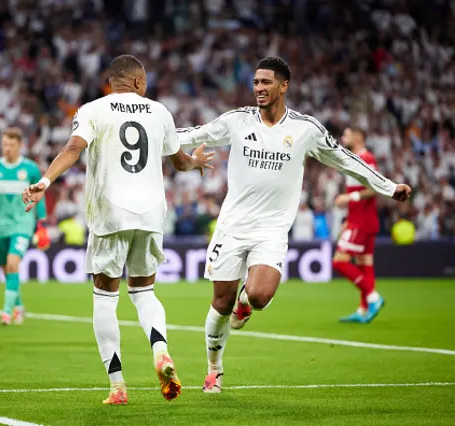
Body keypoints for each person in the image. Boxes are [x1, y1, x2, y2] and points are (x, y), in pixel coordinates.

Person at [176, 57, 411, 393]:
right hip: (232, 226)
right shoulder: (237, 121)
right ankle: (214, 368)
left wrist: (388, 187)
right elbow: (192, 134)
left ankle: (247, 303)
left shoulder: (305, 129)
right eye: (256, 82)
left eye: (266, 82)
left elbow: (346, 159)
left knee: (257, 295)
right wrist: (154, 133)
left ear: (283, 86)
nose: (258, 88)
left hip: (272, 230)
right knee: (221, 303)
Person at [23, 55, 213, 405]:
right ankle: (160, 351)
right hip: (151, 214)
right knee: (144, 291)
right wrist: (197, 161)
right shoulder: (160, 112)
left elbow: (73, 149)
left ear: (112, 83)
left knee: (105, 297)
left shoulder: (93, 109)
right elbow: (180, 161)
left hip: (111, 213)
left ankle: (118, 386)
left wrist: (45, 181)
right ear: (139, 82)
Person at [0, 127, 49, 325]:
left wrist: (42, 223)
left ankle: (7, 313)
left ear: (20, 146)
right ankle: (19, 306)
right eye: (5, 145)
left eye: (11, 145)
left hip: (23, 223)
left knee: (13, 263)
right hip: (1, 225)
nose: (7, 149)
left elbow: (40, 196)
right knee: (6, 268)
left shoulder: (30, 169)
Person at [332, 127, 385, 323]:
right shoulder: (353, 158)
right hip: (359, 219)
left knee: (339, 261)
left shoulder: (366, 158)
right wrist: (348, 218)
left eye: (346, 134)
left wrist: (349, 197)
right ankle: (364, 310)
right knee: (365, 264)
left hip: (362, 221)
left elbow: (375, 188)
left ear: (359, 136)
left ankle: (373, 297)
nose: (343, 138)